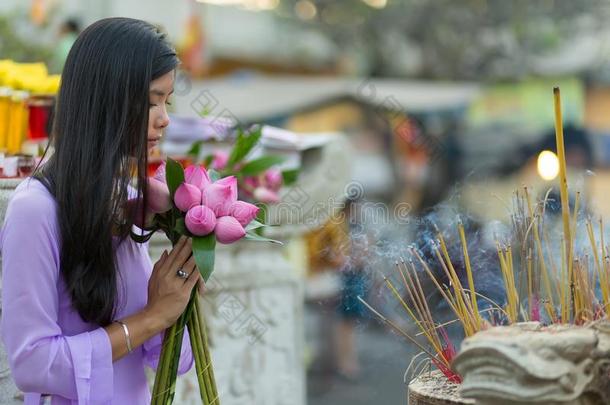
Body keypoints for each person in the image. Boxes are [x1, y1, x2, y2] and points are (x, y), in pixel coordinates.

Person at [1, 18, 202, 404]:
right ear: (103, 98)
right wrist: (152, 317)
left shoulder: (123, 200)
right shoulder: (35, 210)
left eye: (166, 100)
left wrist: (182, 285)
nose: (164, 118)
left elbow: (174, 360)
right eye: (149, 101)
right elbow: (31, 364)